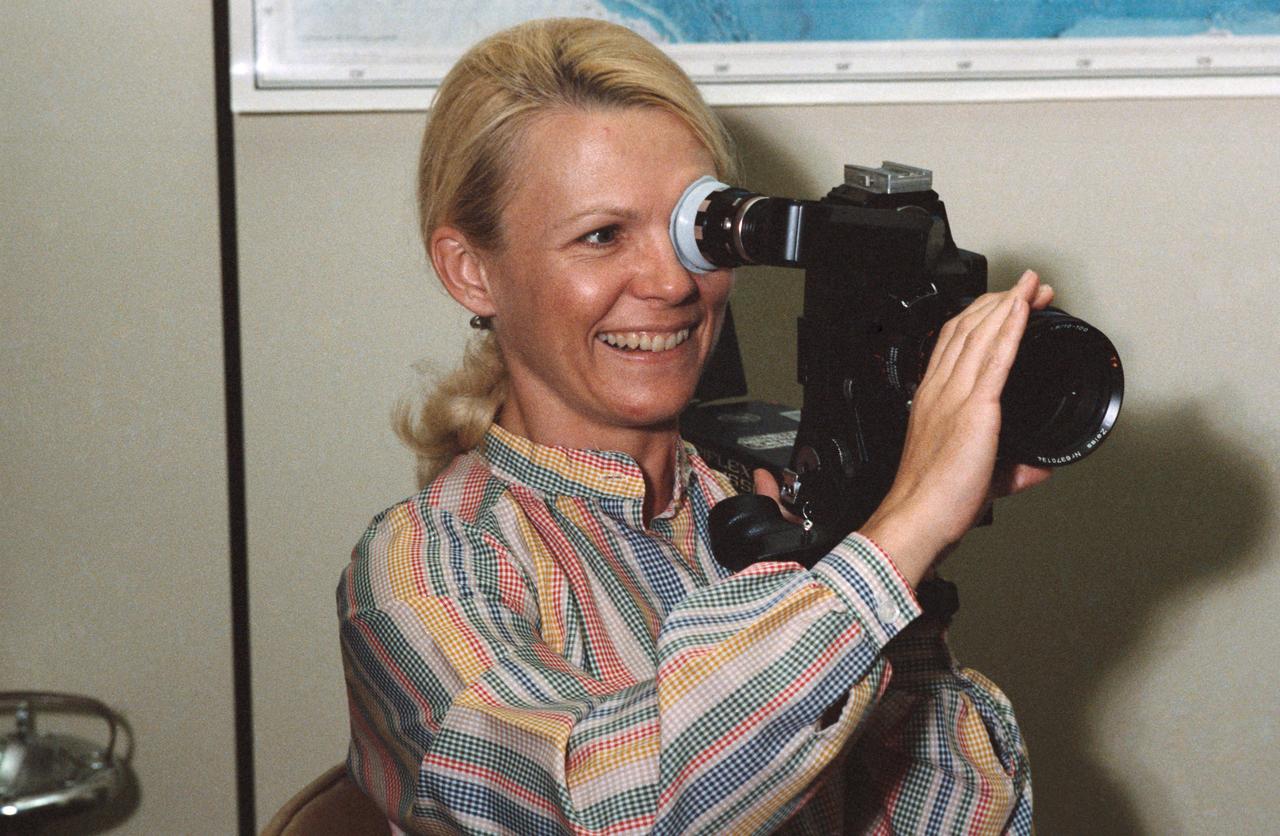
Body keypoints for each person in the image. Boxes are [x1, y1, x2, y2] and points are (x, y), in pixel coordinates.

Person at [339, 17, 1054, 835]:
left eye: (695, 230)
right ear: (472, 271)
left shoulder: (759, 503)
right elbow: (591, 808)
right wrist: (894, 545)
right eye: (603, 236)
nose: (674, 282)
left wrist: (901, 575)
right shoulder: (425, 568)